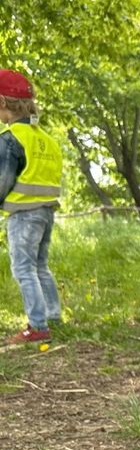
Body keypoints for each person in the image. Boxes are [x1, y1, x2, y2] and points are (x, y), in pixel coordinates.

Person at [0, 69, 63, 345]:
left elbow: (3, 180)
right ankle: (53, 316)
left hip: (23, 215)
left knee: (23, 269)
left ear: (3, 102)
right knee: (40, 266)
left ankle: (37, 326)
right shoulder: (47, 139)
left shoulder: (11, 138)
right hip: (46, 212)